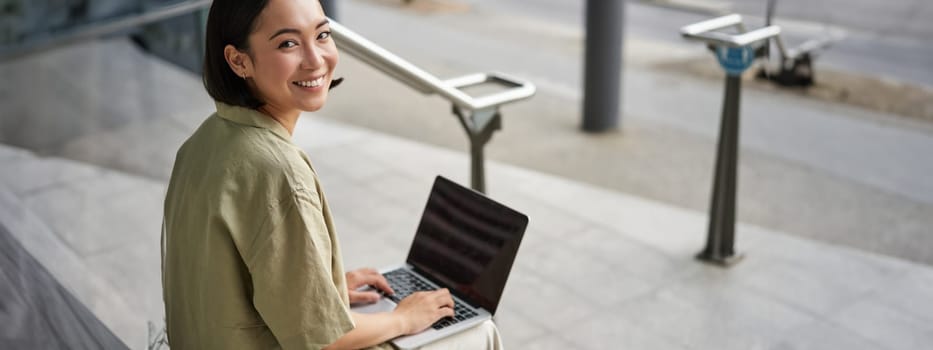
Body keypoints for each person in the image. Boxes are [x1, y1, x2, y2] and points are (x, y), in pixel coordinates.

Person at [161, 0, 503, 349]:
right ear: (238, 60)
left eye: (322, 34)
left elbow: (229, 279)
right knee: (475, 332)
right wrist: (403, 318)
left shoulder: (203, 140)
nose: (316, 59)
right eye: (288, 43)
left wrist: (325, 289)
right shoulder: (277, 172)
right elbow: (323, 341)